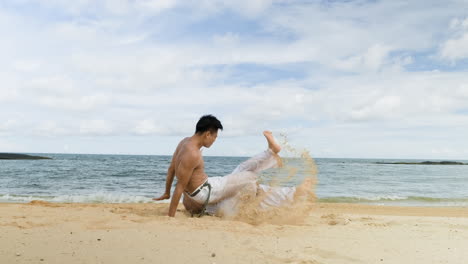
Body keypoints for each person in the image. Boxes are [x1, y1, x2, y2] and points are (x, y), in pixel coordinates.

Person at [153, 114, 306, 217]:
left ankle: (271, 155)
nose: (214, 140)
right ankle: (271, 155)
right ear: (207, 134)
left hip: (204, 191)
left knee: (240, 171)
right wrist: (170, 216)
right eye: (215, 137)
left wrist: (166, 192)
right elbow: (180, 185)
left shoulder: (183, 142)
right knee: (250, 176)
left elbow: (171, 169)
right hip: (206, 192)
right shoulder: (193, 153)